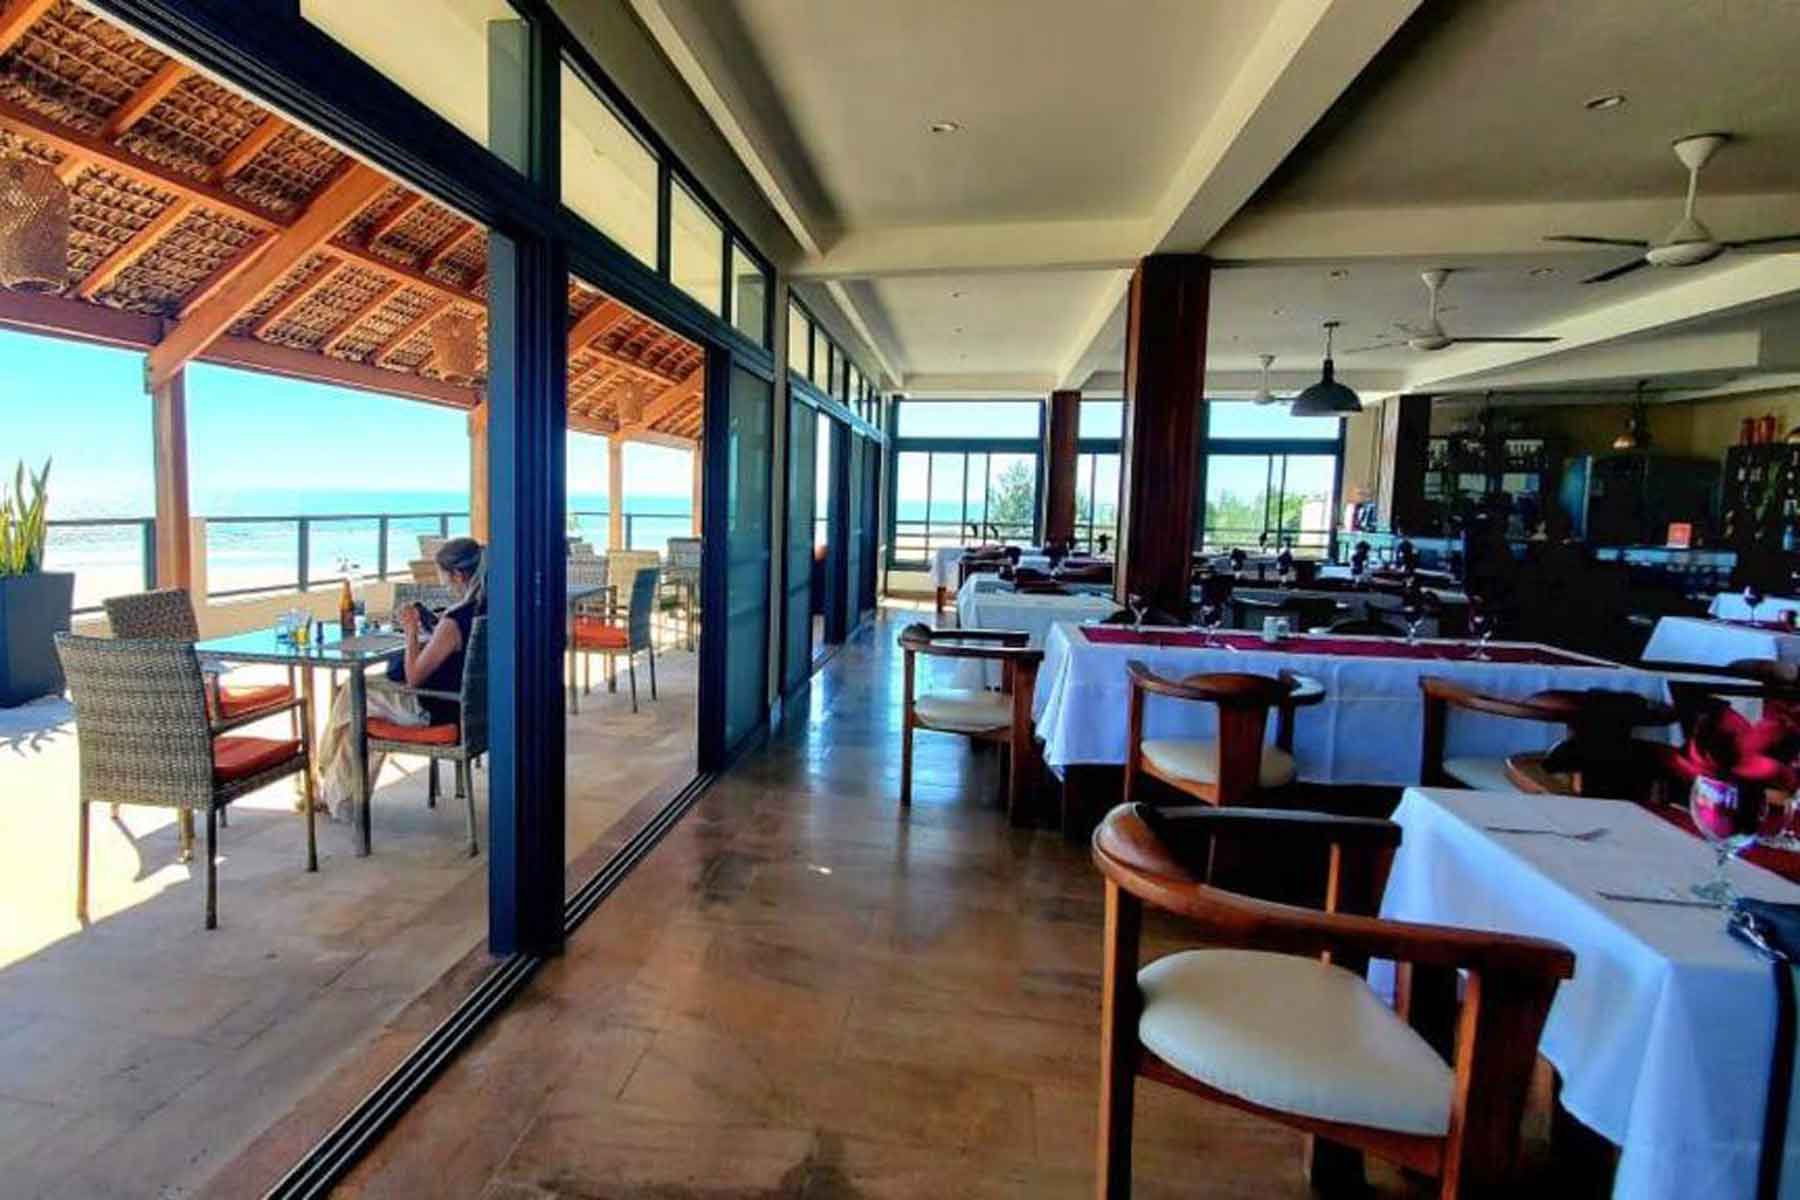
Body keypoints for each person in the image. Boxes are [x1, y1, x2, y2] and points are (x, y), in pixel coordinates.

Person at [315, 536, 486, 822]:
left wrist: (410, 631)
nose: (442, 582)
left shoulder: (454, 621)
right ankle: (338, 798)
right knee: (357, 716)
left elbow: (414, 677)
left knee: (351, 691)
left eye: (442, 575)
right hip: (464, 707)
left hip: (433, 709)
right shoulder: (486, 610)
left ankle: (325, 771)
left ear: (457, 575)